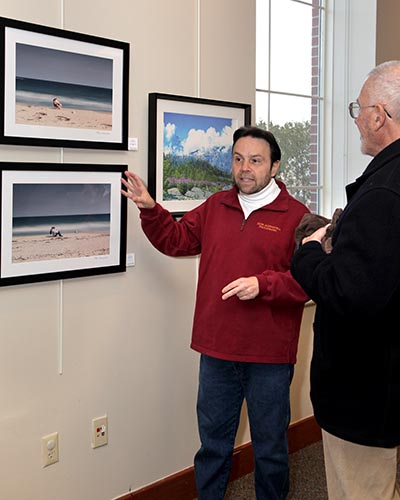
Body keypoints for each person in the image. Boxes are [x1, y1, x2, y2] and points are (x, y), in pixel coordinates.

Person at [121, 126, 309, 500]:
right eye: (238, 159)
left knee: (270, 450)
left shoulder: (297, 216)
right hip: (216, 351)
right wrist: (150, 209)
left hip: (268, 356)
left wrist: (263, 284)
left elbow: (308, 282)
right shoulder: (216, 205)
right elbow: (176, 241)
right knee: (212, 448)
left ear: (274, 167)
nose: (244, 168)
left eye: (255, 161)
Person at [290, 60, 400, 500]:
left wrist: (310, 254)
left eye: (358, 108)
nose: (355, 119)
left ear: (378, 115)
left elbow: (349, 294)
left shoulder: (382, 192)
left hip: (367, 392)